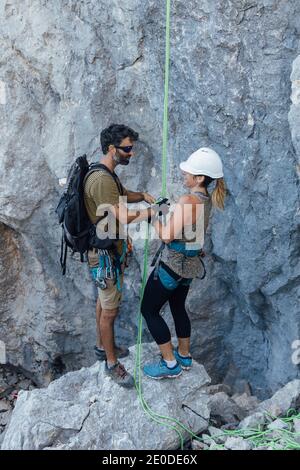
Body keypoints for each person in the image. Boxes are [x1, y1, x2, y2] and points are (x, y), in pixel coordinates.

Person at [141, 147, 227, 379]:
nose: (184, 175)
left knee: (148, 310)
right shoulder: (207, 200)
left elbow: (167, 236)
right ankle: (185, 356)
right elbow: (192, 231)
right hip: (188, 267)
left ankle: (170, 364)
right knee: (178, 307)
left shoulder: (188, 200)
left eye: (188, 172)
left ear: (199, 178)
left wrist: (154, 215)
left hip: (172, 265)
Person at [84, 124, 156, 388]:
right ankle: (112, 364)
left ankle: (103, 347)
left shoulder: (106, 172)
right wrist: (150, 213)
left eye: (131, 148)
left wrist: (143, 196)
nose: (131, 153)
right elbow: (123, 215)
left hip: (107, 248)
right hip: (102, 254)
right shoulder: (102, 179)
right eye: (126, 149)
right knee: (110, 311)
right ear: (112, 149)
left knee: (104, 302)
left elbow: (122, 196)